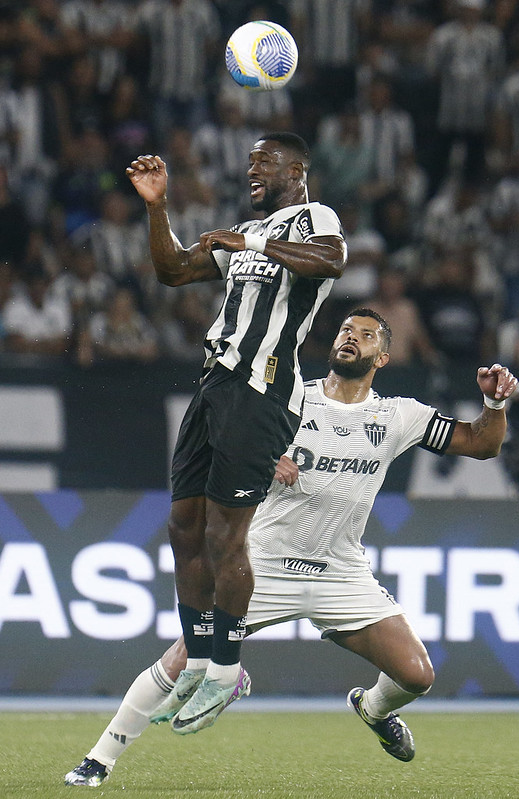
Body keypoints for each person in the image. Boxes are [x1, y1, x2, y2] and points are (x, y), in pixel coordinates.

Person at [65, 308, 517, 787]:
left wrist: (493, 406)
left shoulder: (399, 415)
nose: (351, 338)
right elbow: (218, 443)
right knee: (182, 661)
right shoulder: (287, 398)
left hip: (340, 572)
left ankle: (371, 708)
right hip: (260, 567)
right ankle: (99, 759)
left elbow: (480, 445)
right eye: (346, 330)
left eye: (366, 336)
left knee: (418, 675)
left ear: (382, 357)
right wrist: (261, 456)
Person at [123, 133, 347, 735]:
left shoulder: (311, 218)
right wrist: (156, 206)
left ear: (297, 170)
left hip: (263, 390)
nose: (251, 170)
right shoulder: (249, 240)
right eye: (248, 162)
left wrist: (246, 239)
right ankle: (197, 661)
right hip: (214, 386)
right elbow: (172, 270)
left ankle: (227, 671)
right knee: (183, 525)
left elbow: (330, 261)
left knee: (226, 533)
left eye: (264, 162)